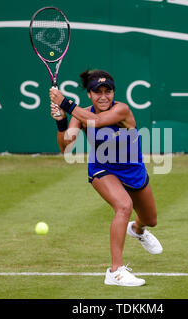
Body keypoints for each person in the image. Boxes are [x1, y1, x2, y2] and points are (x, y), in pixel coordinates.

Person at [49, 69, 162, 287]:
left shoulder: (122, 110)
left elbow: (97, 121)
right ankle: (115, 271)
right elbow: (66, 146)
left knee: (151, 220)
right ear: (89, 95)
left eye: (107, 91)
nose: (103, 96)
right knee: (123, 206)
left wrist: (65, 103)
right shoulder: (79, 115)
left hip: (133, 170)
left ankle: (137, 230)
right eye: (97, 92)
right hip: (102, 169)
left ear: (113, 93)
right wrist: (61, 122)